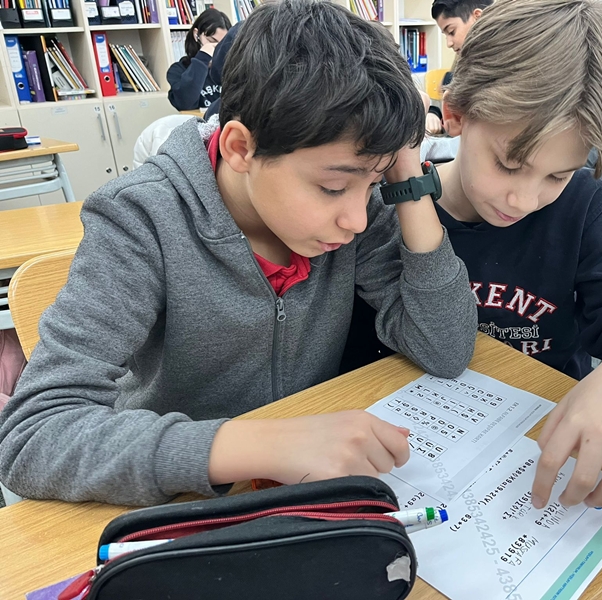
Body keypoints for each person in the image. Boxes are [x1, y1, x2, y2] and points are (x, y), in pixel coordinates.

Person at [0, 0, 477, 506]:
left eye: (375, 182)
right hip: (174, 496)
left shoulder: (354, 210)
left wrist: (405, 181)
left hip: (298, 484)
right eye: (333, 187)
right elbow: (32, 435)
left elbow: (444, 348)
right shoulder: (141, 218)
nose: (357, 219)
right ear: (240, 148)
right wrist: (256, 446)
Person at [430, 0, 602, 510]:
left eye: (557, 174)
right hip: (419, 447)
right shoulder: (393, 207)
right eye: (509, 165)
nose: (524, 200)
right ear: (456, 114)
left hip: (536, 453)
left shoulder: (587, 202)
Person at [425, 0, 492, 135]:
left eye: (451, 32)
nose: (449, 43)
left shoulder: (505, 62)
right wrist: (433, 113)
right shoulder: (462, 60)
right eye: (445, 35)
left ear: (478, 17)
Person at [167, 8, 231, 111]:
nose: (217, 47)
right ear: (196, 34)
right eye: (211, 40)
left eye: (222, 44)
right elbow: (185, 104)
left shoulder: (230, 69)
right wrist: (203, 57)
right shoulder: (178, 70)